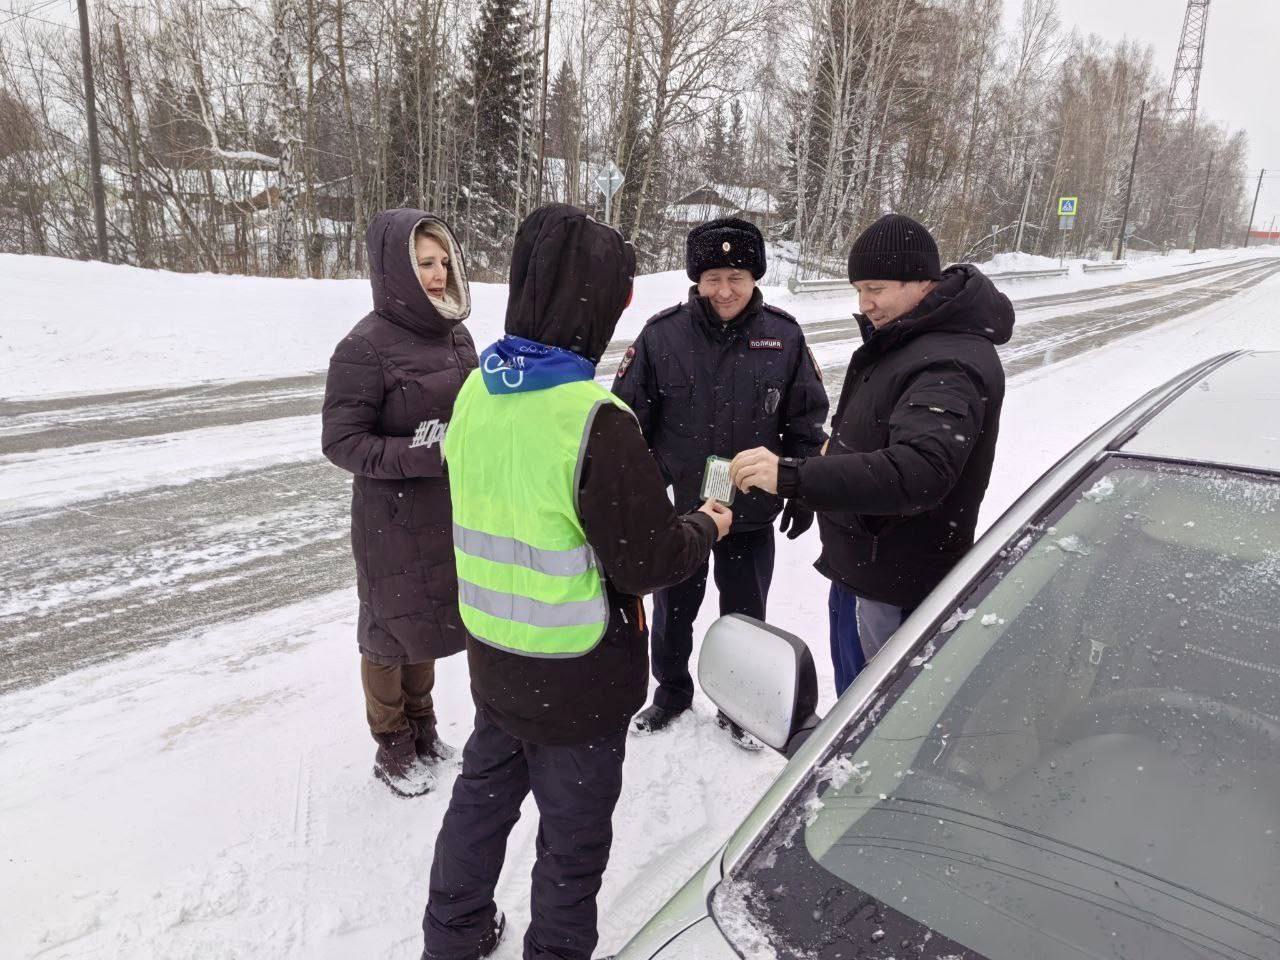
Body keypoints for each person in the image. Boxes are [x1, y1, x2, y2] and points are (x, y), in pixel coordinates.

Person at [422, 204, 731, 960]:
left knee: (480, 805)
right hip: (581, 676)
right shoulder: (593, 417)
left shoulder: (476, 392)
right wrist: (709, 524)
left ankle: (452, 937)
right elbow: (647, 561)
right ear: (598, 304)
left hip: (496, 655)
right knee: (571, 845)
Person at [731, 213, 1015, 694]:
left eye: (876, 288)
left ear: (922, 282)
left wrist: (795, 477)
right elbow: (880, 433)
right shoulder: (912, 339)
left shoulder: (948, 360)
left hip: (893, 579)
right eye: (859, 289)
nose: (866, 305)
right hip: (867, 567)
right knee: (856, 698)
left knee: (872, 715)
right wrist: (828, 455)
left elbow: (919, 472)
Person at [612, 217, 828, 743]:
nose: (724, 290)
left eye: (736, 275)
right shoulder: (662, 336)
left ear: (754, 276)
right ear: (696, 279)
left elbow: (806, 420)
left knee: (746, 614)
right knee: (672, 611)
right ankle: (671, 693)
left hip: (751, 510)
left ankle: (741, 705)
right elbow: (625, 423)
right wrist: (636, 497)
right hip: (680, 511)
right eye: (712, 277)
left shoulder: (784, 337)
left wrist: (802, 485)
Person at [321, 209, 478, 797]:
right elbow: (341, 442)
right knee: (387, 634)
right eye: (422, 264)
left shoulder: (457, 333)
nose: (436, 276)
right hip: (391, 519)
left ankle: (425, 728)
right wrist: (423, 454)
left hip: (449, 511)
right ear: (395, 269)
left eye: (442, 263)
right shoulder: (363, 347)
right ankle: (392, 746)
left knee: (431, 623)